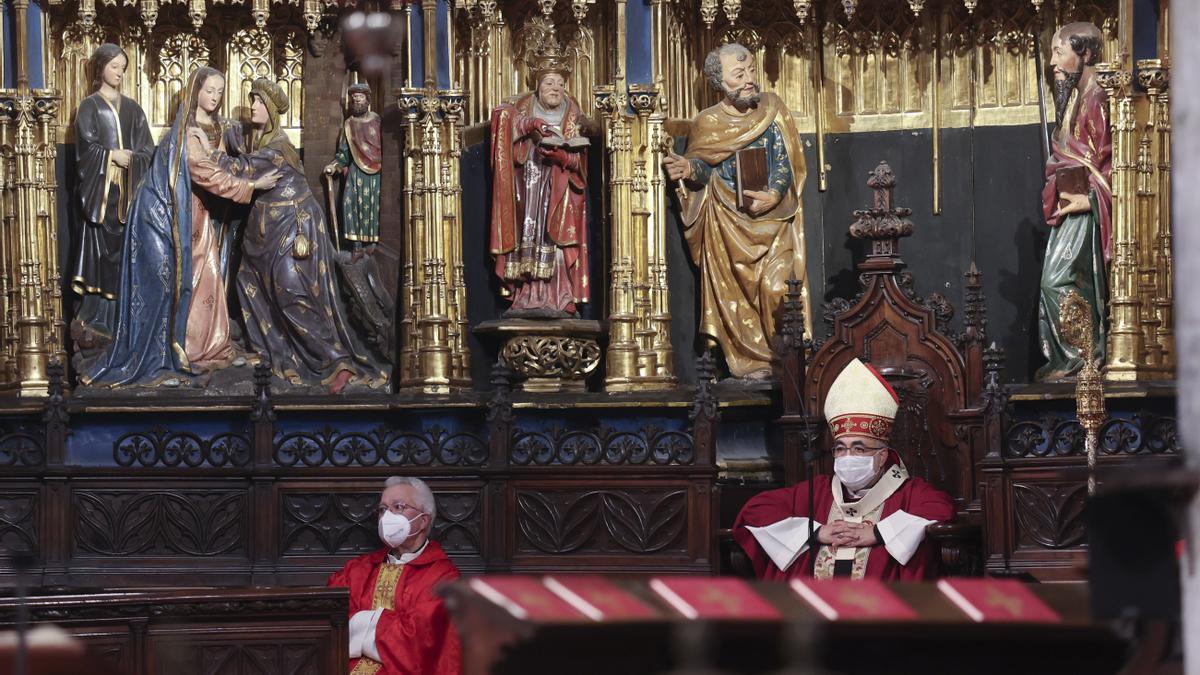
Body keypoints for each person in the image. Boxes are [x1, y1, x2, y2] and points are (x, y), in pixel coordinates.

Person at [82, 68, 280, 387]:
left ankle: (208, 346)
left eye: (220, 92)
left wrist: (224, 160)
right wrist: (253, 186)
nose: (215, 98)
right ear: (195, 91)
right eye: (209, 90)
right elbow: (205, 173)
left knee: (209, 276)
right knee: (176, 283)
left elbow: (213, 165)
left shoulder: (213, 130)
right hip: (169, 216)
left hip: (196, 214)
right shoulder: (186, 132)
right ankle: (177, 350)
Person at [195, 77, 386, 393]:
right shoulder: (264, 143)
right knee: (246, 281)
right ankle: (275, 353)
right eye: (252, 100)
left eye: (256, 101)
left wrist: (208, 151)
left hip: (292, 230)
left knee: (292, 294)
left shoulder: (278, 149)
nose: (252, 106)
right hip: (267, 233)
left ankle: (335, 361)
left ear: (269, 108)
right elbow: (247, 160)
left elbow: (242, 169)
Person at [662, 43, 810, 379]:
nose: (748, 80)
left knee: (778, 289)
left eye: (751, 72)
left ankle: (784, 362)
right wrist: (688, 168)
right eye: (738, 74)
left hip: (773, 222)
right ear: (721, 82)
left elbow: (785, 161)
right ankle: (750, 364)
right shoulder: (707, 122)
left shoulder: (771, 111)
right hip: (727, 226)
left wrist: (773, 193)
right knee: (734, 298)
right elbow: (705, 168)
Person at [734, 358, 955, 580]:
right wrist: (816, 532)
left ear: (882, 457)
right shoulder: (818, 490)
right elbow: (755, 510)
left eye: (858, 449)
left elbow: (940, 508)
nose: (847, 457)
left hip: (882, 609)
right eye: (840, 449)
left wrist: (878, 532)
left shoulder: (908, 492)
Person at [489, 49, 590, 319]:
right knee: (528, 239)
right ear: (538, 84)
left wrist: (562, 156)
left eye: (560, 84)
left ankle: (560, 297)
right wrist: (527, 125)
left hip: (560, 191)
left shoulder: (573, 113)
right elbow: (502, 125)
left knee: (556, 242)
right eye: (549, 82)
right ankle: (526, 297)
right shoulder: (522, 106)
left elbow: (581, 162)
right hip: (528, 189)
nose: (555, 88)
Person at [1037, 21, 1111, 382]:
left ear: (1085, 53)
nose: (1052, 62)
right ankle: (1074, 359)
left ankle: (1083, 357)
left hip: (1086, 209)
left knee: (1058, 281)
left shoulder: (1099, 99)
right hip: (1072, 206)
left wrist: (1092, 199)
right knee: (1056, 281)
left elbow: (1118, 164)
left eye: (1058, 51)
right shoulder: (1075, 100)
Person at [327, 477, 461, 675]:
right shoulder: (358, 569)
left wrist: (360, 622)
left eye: (398, 507)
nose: (387, 516)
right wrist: (386, 623)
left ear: (423, 520)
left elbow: (419, 639)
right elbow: (330, 619)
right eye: (382, 509)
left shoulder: (443, 578)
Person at [72, 43, 154, 354]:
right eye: (114, 66)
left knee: (128, 258)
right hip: (102, 197)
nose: (119, 72)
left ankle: (126, 321)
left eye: (123, 67)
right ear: (100, 68)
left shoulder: (133, 109)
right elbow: (85, 152)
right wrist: (110, 157)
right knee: (100, 259)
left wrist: (133, 159)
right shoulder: (89, 107)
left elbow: (147, 149)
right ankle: (96, 321)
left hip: (129, 197)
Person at [323, 82, 382, 258]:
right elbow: (344, 153)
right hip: (355, 171)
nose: (357, 102)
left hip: (375, 172)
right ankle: (356, 246)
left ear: (368, 100)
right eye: (354, 99)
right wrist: (334, 166)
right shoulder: (349, 125)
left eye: (360, 98)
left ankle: (371, 243)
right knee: (349, 203)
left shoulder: (377, 121)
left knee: (372, 205)